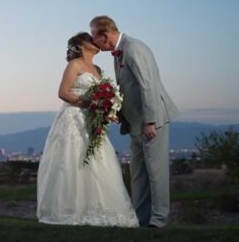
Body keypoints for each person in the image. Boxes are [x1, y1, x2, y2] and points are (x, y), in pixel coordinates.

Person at [36, 32, 139, 227]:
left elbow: (103, 95)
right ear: (80, 45)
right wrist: (89, 104)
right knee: (71, 161)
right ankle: (71, 210)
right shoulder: (74, 65)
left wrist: (108, 108)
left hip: (92, 121)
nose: (94, 41)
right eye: (89, 39)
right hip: (73, 117)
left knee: (97, 161)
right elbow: (63, 92)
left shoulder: (97, 69)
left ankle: (99, 209)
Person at [90, 16, 180, 228]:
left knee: (156, 174)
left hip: (152, 122)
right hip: (134, 123)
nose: (94, 42)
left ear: (105, 34)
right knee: (138, 174)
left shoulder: (133, 48)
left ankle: (158, 221)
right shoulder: (118, 52)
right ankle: (140, 220)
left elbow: (147, 86)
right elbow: (128, 88)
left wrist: (150, 121)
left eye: (95, 36)